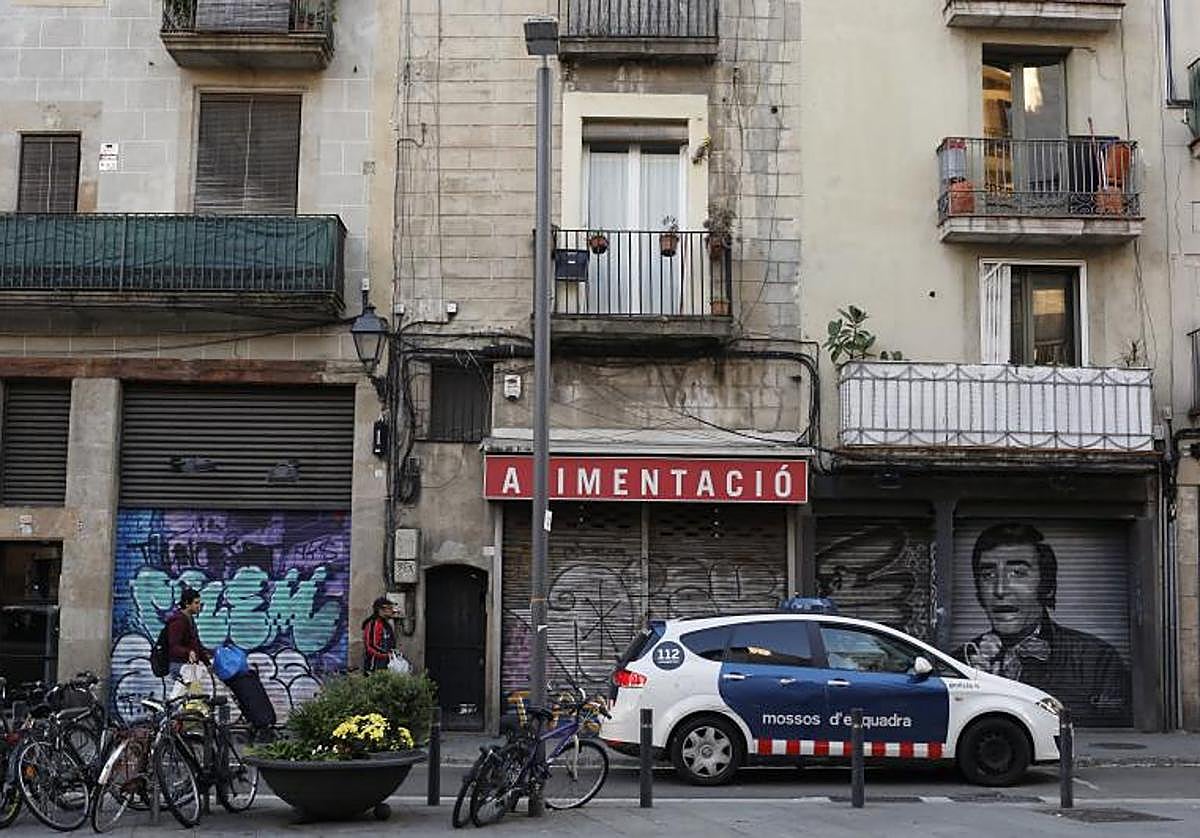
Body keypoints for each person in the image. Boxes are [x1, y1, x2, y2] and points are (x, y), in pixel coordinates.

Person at [953, 522, 1131, 725]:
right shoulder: (960, 661)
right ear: (978, 591)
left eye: (1017, 573)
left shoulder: (1097, 660)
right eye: (988, 575)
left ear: (1045, 584)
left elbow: (1114, 722)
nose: (1000, 590)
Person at [166, 588, 210, 679]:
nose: (199, 606)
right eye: (196, 603)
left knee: (189, 692)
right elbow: (173, 646)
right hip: (180, 666)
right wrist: (188, 652)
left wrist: (207, 663)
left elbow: (196, 644)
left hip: (188, 666)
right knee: (193, 690)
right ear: (187, 603)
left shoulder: (189, 619)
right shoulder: (178, 621)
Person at [362, 596, 398, 673]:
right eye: (389, 608)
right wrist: (386, 655)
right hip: (374, 666)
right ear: (380, 610)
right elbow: (371, 645)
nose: (392, 611)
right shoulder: (373, 624)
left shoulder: (386, 625)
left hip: (385, 664)